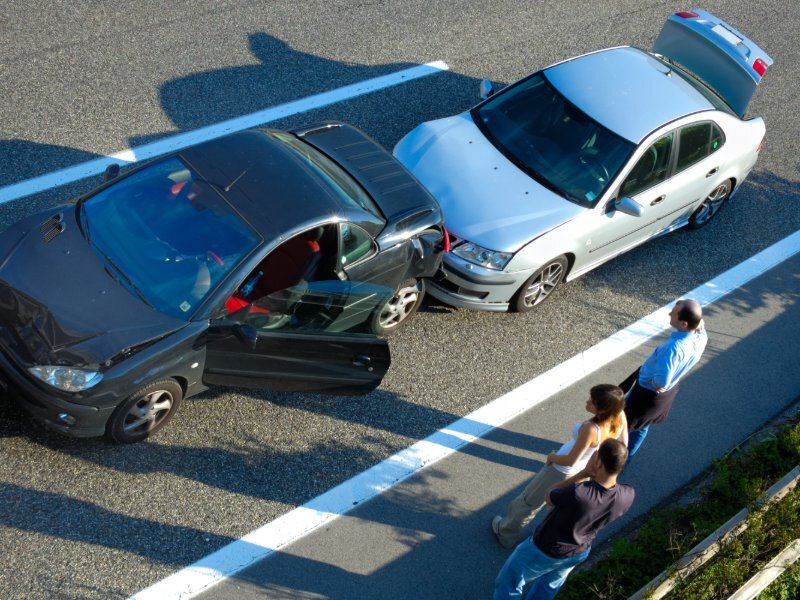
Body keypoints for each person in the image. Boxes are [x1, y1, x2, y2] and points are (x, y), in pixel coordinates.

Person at [493, 439, 635, 600]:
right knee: (546, 588)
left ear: (599, 463)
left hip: (546, 548)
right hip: (579, 551)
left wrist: (583, 474)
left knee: (509, 581)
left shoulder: (579, 493)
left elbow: (549, 494)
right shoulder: (627, 495)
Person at [492, 384, 627, 549]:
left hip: (560, 470)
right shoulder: (617, 418)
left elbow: (571, 459)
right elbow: (623, 442)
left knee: (528, 502)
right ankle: (539, 535)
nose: (587, 401)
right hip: (578, 472)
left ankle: (506, 534)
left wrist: (552, 457)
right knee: (554, 505)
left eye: (592, 401)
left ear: (603, 408)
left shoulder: (591, 429)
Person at [623, 298, 707, 459]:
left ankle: (600, 456)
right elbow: (700, 324)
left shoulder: (673, 348)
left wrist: (649, 381)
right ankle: (627, 458)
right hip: (665, 395)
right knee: (642, 426)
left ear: (684, 324)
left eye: (674, 313)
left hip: (645, 394)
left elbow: (661, 381)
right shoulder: (701, 338)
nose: (669, 313)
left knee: (622, 424)